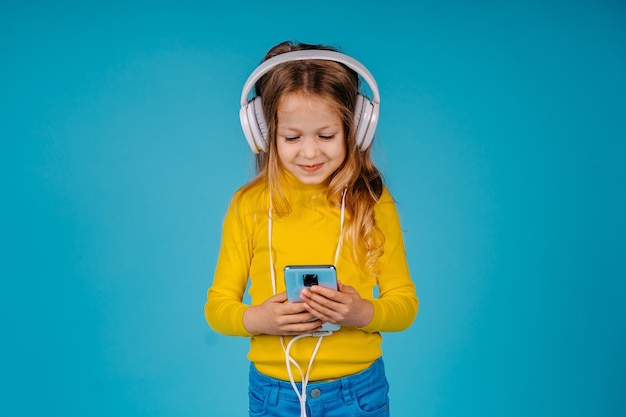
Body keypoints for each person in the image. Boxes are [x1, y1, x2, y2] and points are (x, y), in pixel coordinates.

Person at [205, 40, 418, 417]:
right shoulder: (249, 205)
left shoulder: (370, 201)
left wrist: (362, 313)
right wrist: (258, 320)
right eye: (292, 137)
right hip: (274, 393)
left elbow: (404, 305)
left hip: (357, 391)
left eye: (326, 136)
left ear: (356, 129)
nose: (309, 152)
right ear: (263, 132)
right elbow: (218, 307)